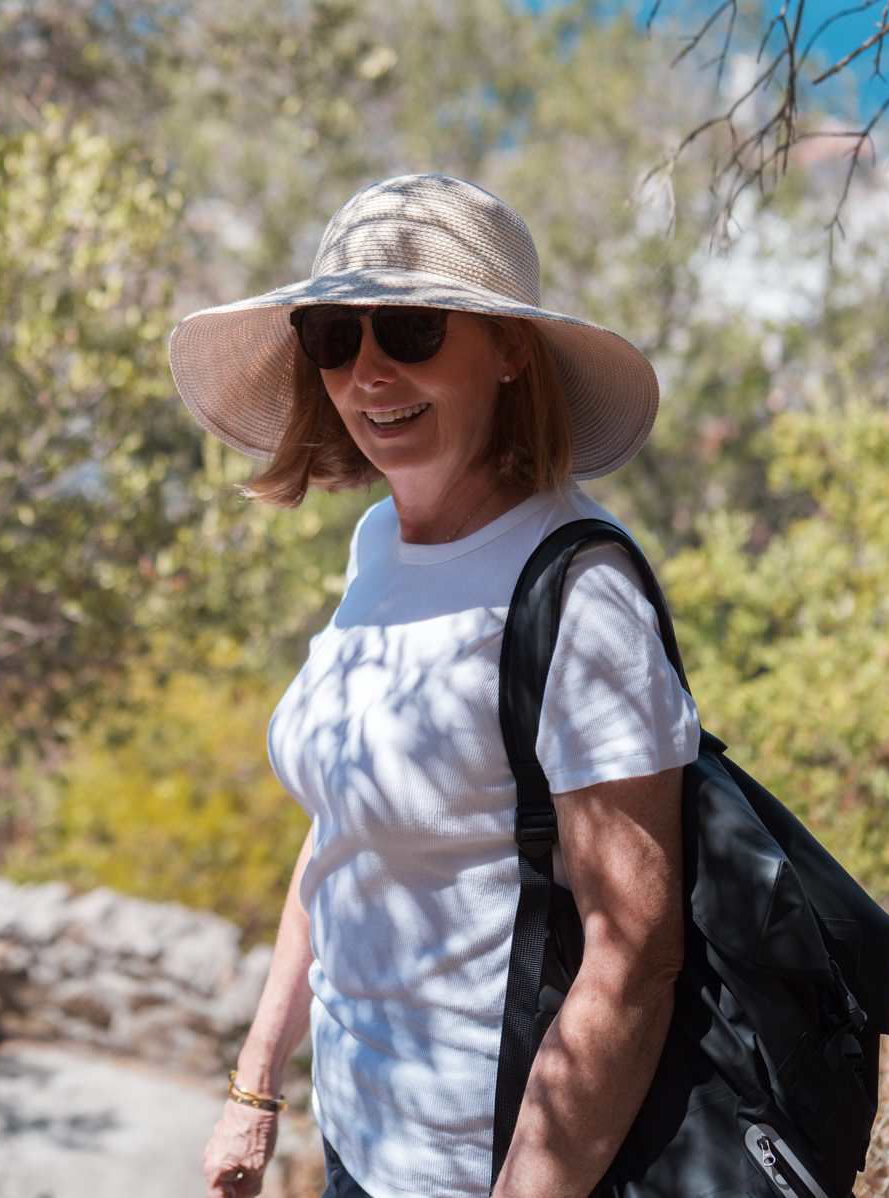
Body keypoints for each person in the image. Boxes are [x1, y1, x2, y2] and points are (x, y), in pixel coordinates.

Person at [167, 175, 700, 1198]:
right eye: (334, 336)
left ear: (509, 350)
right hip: (355, 1139)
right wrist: (256, 1082)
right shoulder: (377, 544)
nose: (368, 372)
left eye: (410, 329)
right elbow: (342, 821)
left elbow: (637, 957)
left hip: (481, 1166)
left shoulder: (580, 592)